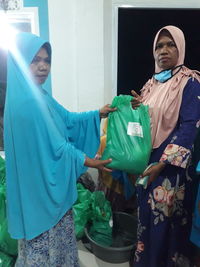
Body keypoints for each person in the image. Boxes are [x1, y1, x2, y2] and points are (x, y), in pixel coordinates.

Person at [3, 32, 116, 266]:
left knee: (54, 242)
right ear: (21, 62)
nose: (43, 67)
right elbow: (56, 146)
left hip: (42, 186)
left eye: (47, 60)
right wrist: (89, 161)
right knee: (43, 244)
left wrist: (97, 114)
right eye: (34, 60)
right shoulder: (27, 103)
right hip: (39, 190)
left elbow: (67, 119)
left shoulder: (39, 95)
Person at [130, 25, 200, 267]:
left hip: (170, 166)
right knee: (146, 216)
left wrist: (161, 163)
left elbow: (190, 126)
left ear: (179, 48)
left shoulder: (189, 82)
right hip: (146, 160)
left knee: (164, 219)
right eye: (159, 46)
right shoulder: (151, 85)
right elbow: (146, 123)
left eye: (170, 44)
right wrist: (137, 108)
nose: (164, 50)